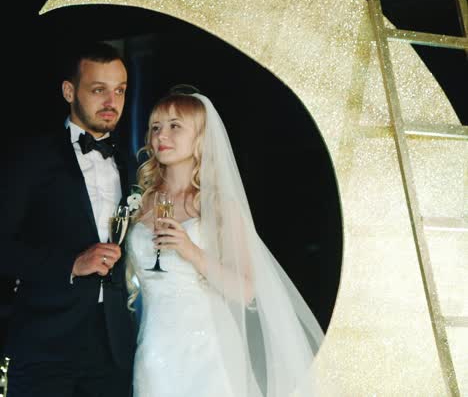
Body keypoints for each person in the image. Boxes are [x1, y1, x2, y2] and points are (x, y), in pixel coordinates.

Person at [127, 86, 325, 397]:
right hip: (152, 350)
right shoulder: (140, 203)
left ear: (200, 137)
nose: (161, 135)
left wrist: (191, 252)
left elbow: (245, 290)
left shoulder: (218, 205)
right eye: (155, 127)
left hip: (208, 351)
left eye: (175, 126)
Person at [0, 41, 137, 397]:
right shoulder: (29, 156)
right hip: (46, 344)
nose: (111, 102)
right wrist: (72, 263)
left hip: (116, 346)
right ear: (69, 91)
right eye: (98, 90)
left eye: (119, 90)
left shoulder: (135, 164)